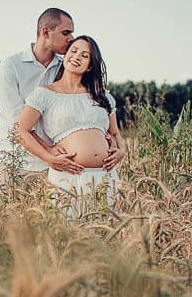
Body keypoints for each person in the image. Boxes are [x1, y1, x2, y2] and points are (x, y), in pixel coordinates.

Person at [12, 35, 126, 211]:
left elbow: (115, 133)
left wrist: (121, 151)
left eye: (84, 55)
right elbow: (20, 130)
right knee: (69, 233)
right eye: (73, 51)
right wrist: (49, 158)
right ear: (65, 55)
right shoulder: (44, 94)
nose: (77, 57)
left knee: (106, 232)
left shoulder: (103, 96)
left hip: (106, 177)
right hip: (68, 177)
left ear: (90, 66)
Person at [0, 7, 84, 179]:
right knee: (1, 206)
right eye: (65, 33)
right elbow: (17, 125)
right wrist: (48, 152)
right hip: (13, 163)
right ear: (46, 32)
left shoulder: (65, 68)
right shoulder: (11, 67)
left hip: (54, 166)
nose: (71, 39)